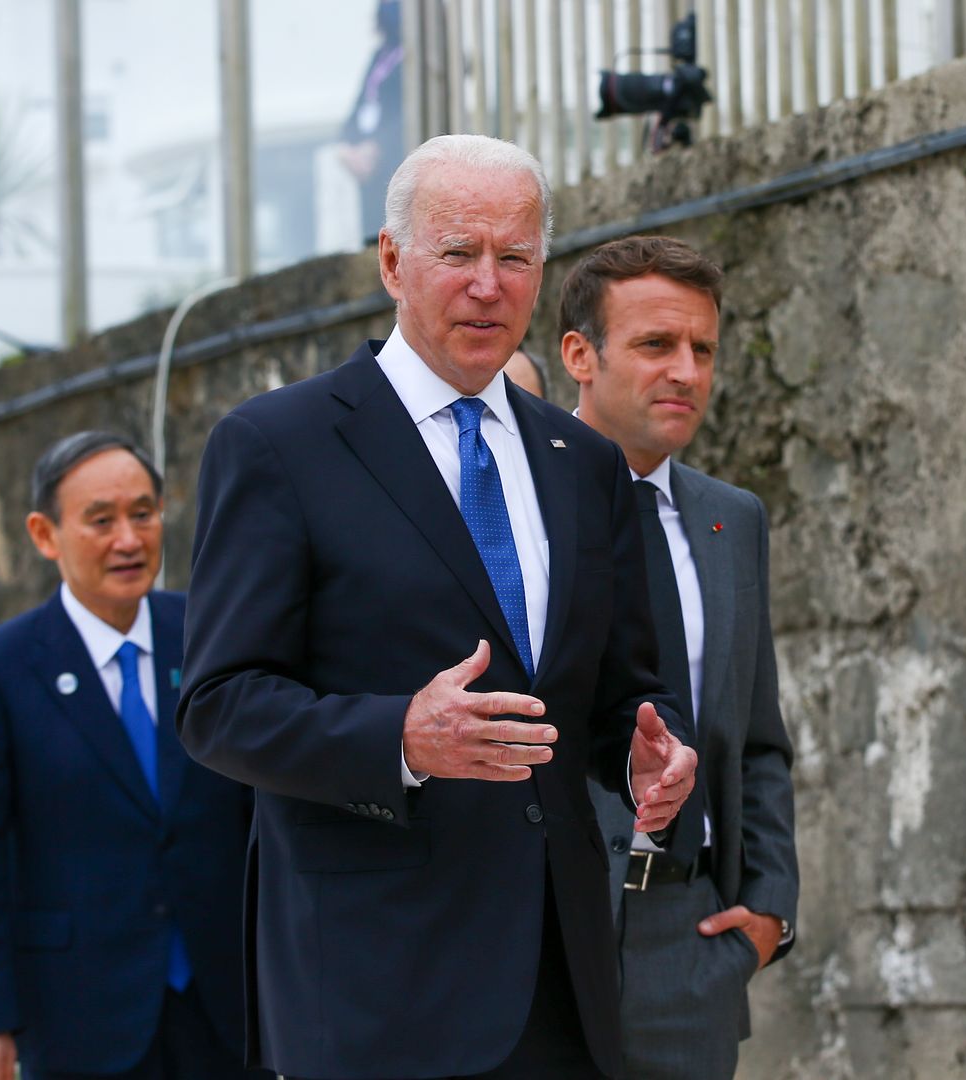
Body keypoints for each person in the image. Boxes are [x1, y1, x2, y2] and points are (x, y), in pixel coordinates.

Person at [179, 133, 699, 1080]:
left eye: (516, 258)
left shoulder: (582, 462)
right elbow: (219, 706)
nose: (488, 286)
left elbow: (623, 693)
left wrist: (645, 758)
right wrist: (400, 741)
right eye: (459, 253)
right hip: (376, 989)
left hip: (559, 982)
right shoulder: (279, 445)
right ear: (393, 261)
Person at [0, 432, 260, 1080]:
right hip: (78, 1011)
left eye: (143, 514)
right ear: (44, 534)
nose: (128, 539)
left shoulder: (210, 635)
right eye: (101, 520)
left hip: (227, 1004)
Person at [562, 236, 800, 1080]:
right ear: (580, 355)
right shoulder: (515, 509)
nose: (687, 372)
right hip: (547, 935)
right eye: (657, 345)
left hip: (689, 939)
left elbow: (758, 732)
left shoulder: (730, 518)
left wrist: (770, 905)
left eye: (703, 349)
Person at [337, 0, 406, 246]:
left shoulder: (420, 56)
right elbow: (361, 102)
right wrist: (346, 146)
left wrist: (377, 146)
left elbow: (405, 112)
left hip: (394, 161)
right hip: (366, 166)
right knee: (372, 237)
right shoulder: (381, 55)